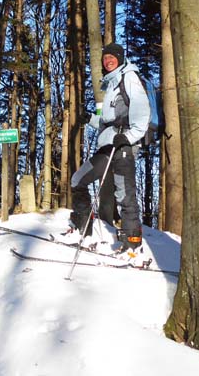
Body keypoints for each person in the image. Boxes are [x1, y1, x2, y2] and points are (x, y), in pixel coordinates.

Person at [69, 43, 151, 253]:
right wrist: (90, 119)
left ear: (121, 58)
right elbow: (109, 121)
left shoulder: (129, 78)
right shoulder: (111, 84)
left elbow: (142, 113)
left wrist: (128, 137)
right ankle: (83, 228)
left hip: (123, 147)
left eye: (112, 57)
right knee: (78, 180)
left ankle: (132, 243)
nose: (108, 60)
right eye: (105, 58)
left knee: (125, 195)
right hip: (107, 147)